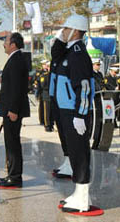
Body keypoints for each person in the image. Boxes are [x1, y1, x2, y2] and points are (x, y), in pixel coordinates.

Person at [50, 14, 96, 213]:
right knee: (75, 153)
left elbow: (84, 87)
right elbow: (55, 55)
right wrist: (60, 39)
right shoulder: (68, 52)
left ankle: (83, 197)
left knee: (80, 154)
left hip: (75, 112)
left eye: (66, 29)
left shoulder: (78, 54)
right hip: (67, 110)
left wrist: (80, 114)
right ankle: (78, 192)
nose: (63, 32)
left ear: (75, 31)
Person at [0, 32, 30, 188]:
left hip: (13, 111)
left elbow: (17, 88)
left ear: (13, 44)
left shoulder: (17, 60)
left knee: (13, 143)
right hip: (9, 110)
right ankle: (12, 174)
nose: (4, 44)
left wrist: (13, 110)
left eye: (6, 41)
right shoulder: (14, 59)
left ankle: (15, 177)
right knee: (10, 143)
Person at [35, 59, 53, 132]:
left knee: (51, 111)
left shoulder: (51, 74)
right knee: (46, 111)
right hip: (46, 94)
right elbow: (41, 85)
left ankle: (50, 124)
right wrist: (38, 94)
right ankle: (47, 125)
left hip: (51, 95)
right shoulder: (43, 75)